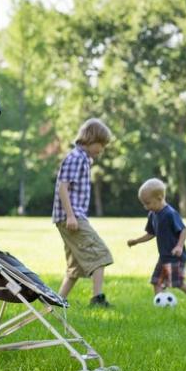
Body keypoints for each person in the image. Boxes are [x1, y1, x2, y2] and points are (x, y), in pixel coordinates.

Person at [52, 118, 114, 307]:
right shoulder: (76, 158)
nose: (101, 150)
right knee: (100, 255)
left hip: (71, 217)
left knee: (75, 267)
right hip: (72, 217)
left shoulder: (84, 159)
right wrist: (70, 215)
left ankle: (56, 302)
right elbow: (63, 187)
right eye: (100, 145)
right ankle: (97, 299)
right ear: (90, 139)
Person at [128, 178, 186, 306]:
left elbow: (184, 230)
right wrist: (136, 241)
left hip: (176, 256)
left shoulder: (170, 214)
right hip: (164, 256)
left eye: (148, 203)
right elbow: (151, 233)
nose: (146, 207)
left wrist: (179, 246)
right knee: (156, 281)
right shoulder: (153, 214)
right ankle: (160, 305)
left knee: (177, 283)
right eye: (143, 204)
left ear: (159, 198)